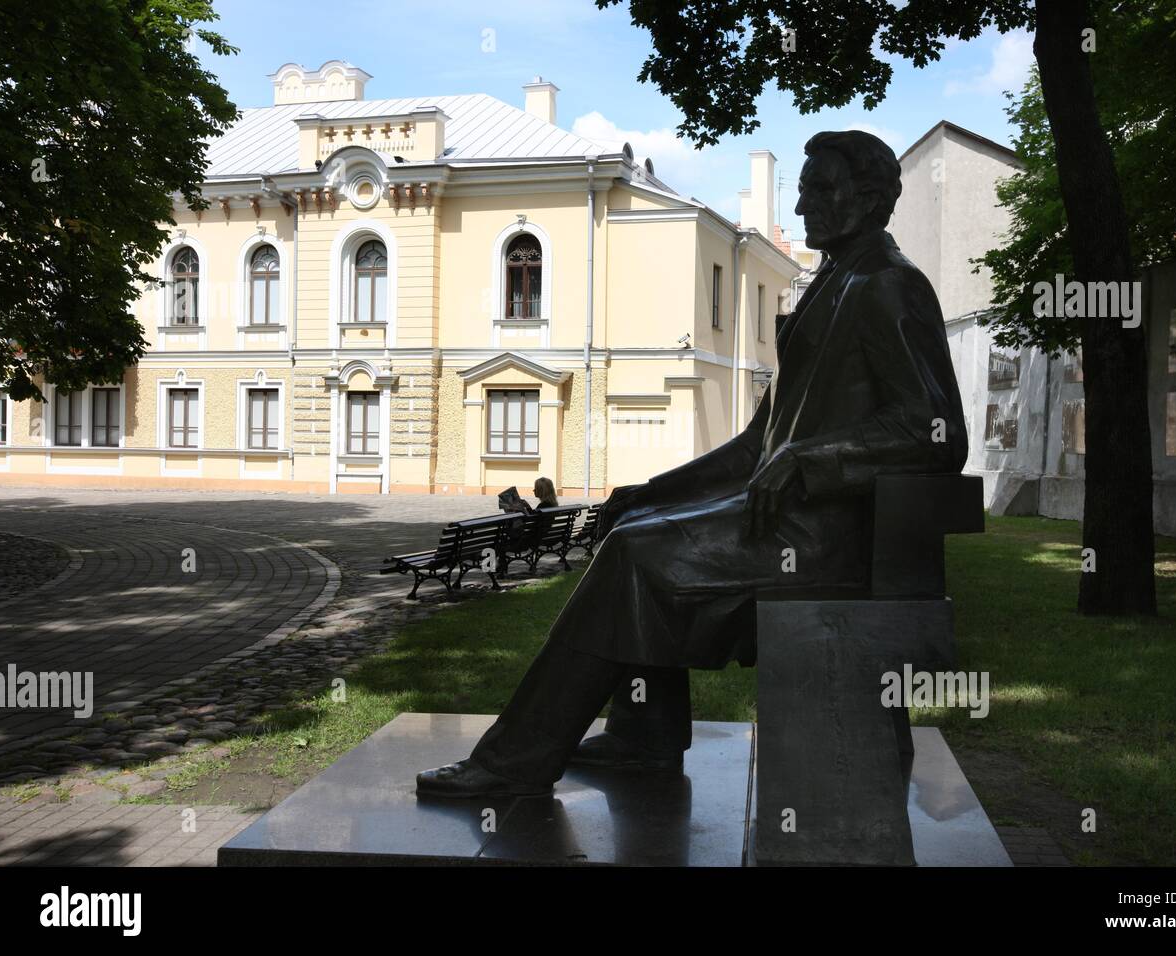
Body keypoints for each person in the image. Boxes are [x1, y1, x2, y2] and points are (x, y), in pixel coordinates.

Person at [415, 130, 968, 798]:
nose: (803, 201)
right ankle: (644, 733)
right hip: (790, 513)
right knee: (635, 521)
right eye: (802, 186)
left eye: (823, 187)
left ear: (874, 198)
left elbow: (936, 431)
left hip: (831, 538)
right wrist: (649, 487)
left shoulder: (888, 286)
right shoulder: (831, 287)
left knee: (636, 557)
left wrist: (812, 459)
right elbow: (753, 447)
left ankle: (516, 763)